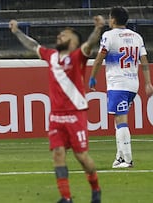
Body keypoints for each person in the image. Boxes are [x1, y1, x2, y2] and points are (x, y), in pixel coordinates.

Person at [9, 15, 104, 203]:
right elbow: (32, 45)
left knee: (82, 157)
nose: (60, 36)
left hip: (76, 114)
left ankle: (96, 189)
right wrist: (16, 31)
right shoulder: (51, 55)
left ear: (74, 41)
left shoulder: (78, 56)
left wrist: (98, 29)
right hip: (56, 116)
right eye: (60, 34)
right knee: (58, 154)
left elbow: (91, 43)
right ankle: (66, 197)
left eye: (65, 35)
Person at [89, 6, 153, 168]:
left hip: (118, 83)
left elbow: (99, 58)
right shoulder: (136, 36)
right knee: (119, 119)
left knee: (120, 119)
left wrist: (92, 78)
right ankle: (119, 157)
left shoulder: (109, 35)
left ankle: (127, 159)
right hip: (133, 84)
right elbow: (144, 61)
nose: (109, 20)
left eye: (110, 18)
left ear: (113, 19)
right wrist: (147, 82)